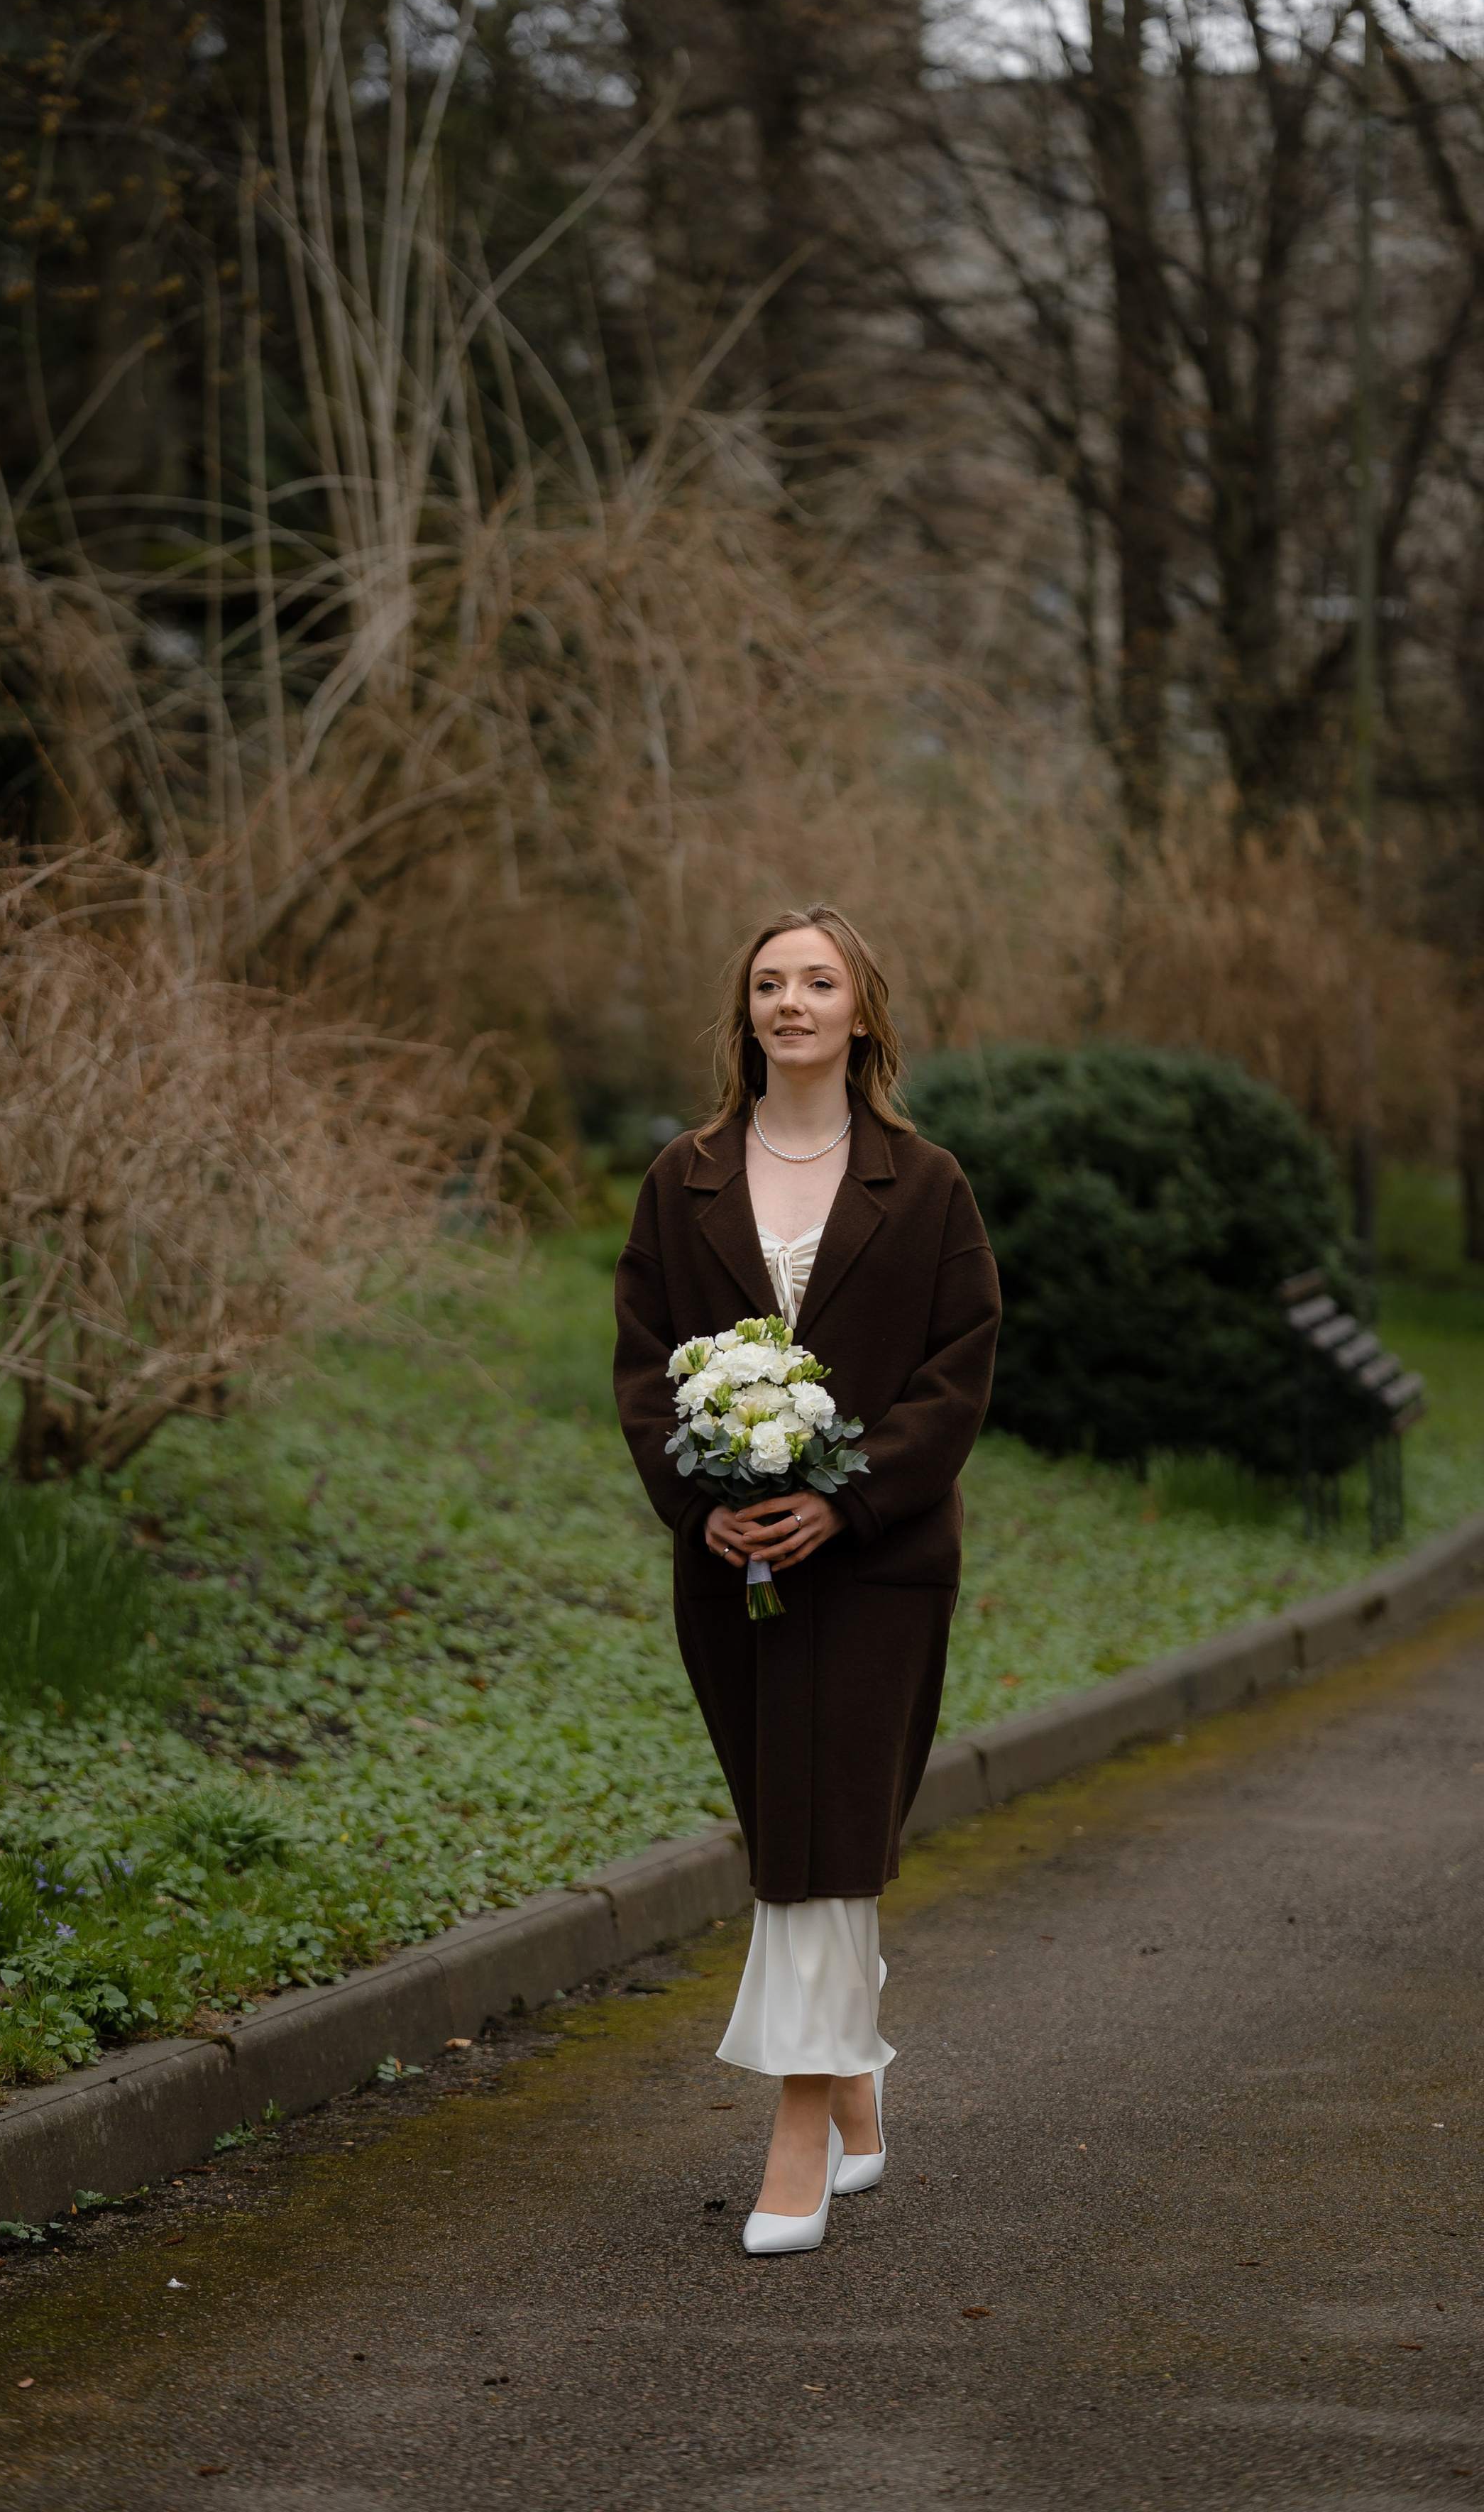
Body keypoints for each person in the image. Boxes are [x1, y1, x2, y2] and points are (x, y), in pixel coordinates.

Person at [613, 904, 1000, 2255]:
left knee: (822, 1845)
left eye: (819, 981)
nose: (793, 1001)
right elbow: (642, 1358)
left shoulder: (928, 1182)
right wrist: (697, 1505)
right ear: (748, 1015)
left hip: (881, 1566)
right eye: (770, 982)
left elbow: (960, 1375)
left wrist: (846, 1499)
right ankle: (855, 2071)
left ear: (862, 1014)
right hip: (733, 1573)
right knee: (793, 1830)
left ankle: (796, 2130)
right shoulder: (685, 1178)